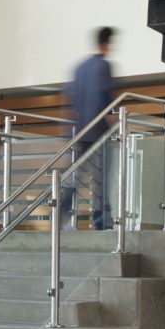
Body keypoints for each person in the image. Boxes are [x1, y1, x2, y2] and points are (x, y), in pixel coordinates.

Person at [66, 26, 116, 230]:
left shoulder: (80, 67)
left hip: (80, 130)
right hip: (99, 130)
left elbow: (74, 99)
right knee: (101, 179)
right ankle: (101, 221)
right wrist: (112, 118)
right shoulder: (103, 66)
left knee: (76, 178)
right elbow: (104, 97)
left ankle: (63, 213)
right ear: (107, 43)